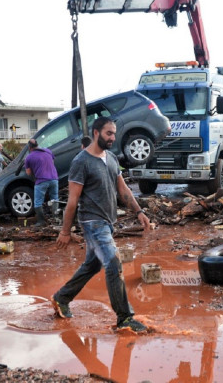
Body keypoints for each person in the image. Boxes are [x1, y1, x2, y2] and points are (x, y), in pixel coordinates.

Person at [52, 116, 151, 333]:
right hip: (92, 222)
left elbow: (123, 190)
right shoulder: (81, 161)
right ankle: (124, 318)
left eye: (114, 133)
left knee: (93, 265)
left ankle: (62, 297)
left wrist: (139, 212)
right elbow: (72, 201)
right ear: (96, 133)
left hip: (107, 222)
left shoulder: (112, 158)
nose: (113, 137)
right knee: (113, 263)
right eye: (108, 133)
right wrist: (65, 231)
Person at [24, 139, 59, 227]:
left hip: (41, 180)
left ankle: (41, 221)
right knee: (54, 198)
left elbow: (28, 172)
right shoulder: (48, 151)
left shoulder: (29, 157)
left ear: (29, 147)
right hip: (54, 179)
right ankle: (55, 219)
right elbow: (52, 162)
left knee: (38, 202)